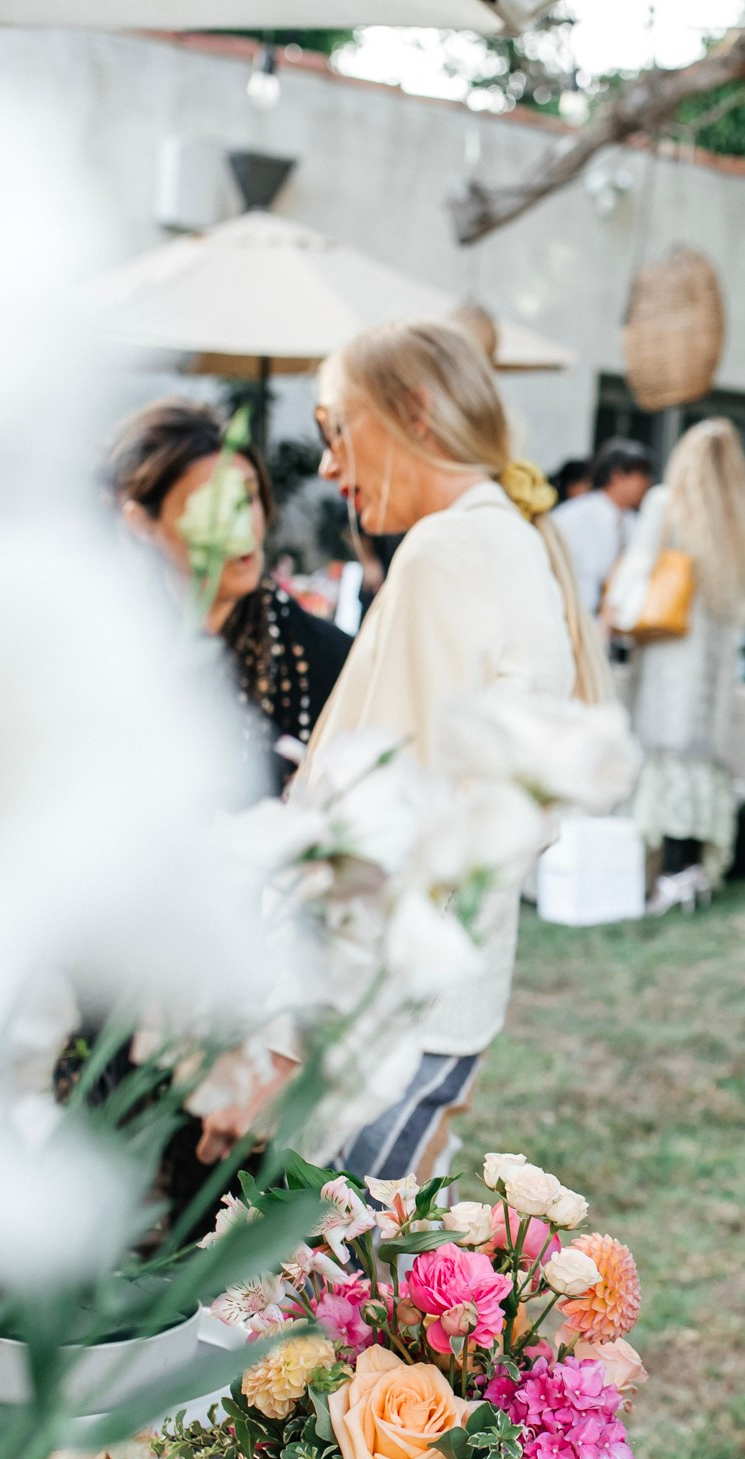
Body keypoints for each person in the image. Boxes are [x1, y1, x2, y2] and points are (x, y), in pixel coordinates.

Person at [289, 317, 610, 1179]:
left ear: (415, 413)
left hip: (379, 1006)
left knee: (311, 1279)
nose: (327, 464)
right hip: (442, 1001)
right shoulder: (504, 537)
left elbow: (379, 806)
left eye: (333, 427)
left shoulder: (446, 548)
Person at [106, 399, 351, 793]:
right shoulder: (106, 650)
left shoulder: (323, 658)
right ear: (140, 522)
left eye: (247, 499)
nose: (241, 527)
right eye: (213, 507)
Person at [604, 419, 745, 915]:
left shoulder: (665, 504)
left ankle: (666, 873)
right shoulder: (737, 523)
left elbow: (637, 572)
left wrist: (613, 615)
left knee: (665, 763)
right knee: (695, 766)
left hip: (670, 661)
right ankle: (687, 871)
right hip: (712, 675)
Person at [551, 438, 655, 632]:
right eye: (641, 475)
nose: (646, 484)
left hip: (617, 628)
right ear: (617, 476)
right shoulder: (572, 516)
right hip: (573, 621)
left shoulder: (635, 523)